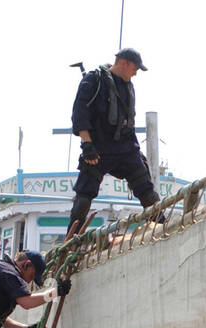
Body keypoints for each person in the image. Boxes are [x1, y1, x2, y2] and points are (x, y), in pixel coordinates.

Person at [68, 48, 162, 236]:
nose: (136, 73)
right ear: (123, 63)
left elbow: (129, 121)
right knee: (85, 194)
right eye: (135, 68)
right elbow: (80, 115)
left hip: (125, 149)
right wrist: (87, 145)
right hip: (98, 148)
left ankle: (161, 224)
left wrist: (136, 152)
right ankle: (71, 239)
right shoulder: (93, 81)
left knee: (145, 188)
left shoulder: (129, 86)